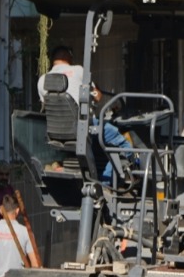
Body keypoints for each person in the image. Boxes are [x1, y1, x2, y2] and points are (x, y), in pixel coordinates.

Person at [39, 46, 130, 183]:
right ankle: (112, 182)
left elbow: (49, 108)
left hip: (58, 134)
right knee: (123, 144)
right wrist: (96, 89)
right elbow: (98, 97)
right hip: (84, 129)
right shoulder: (78, 71)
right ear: (68, 56)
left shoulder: (42, 81)